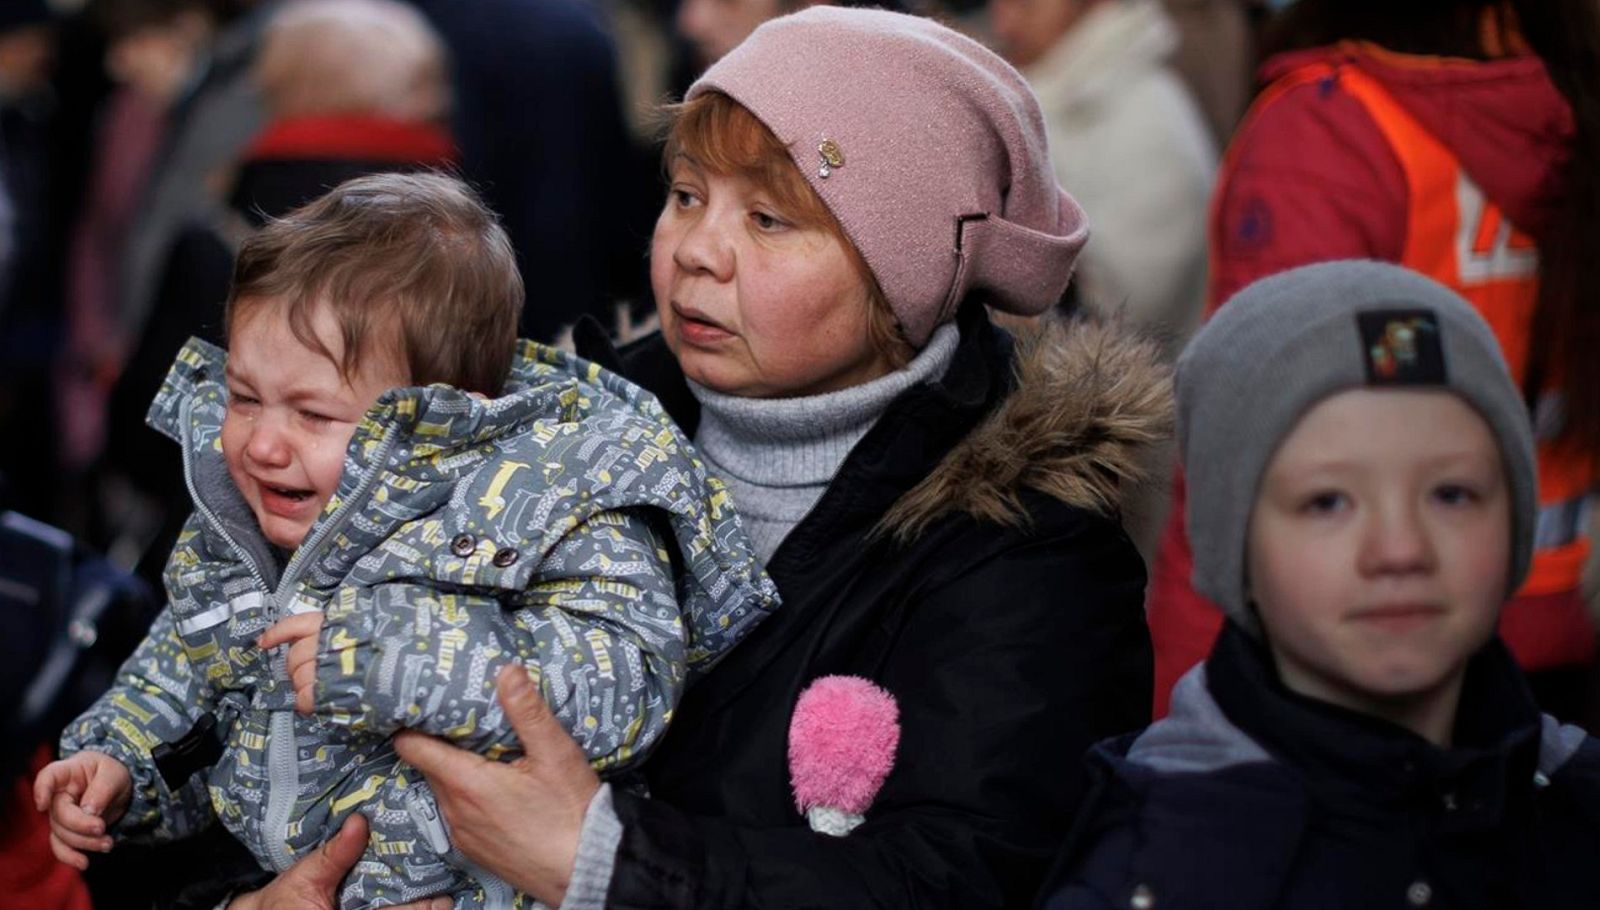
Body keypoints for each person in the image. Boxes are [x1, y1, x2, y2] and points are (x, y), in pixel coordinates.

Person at [212, 8, 1168, 908]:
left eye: (769, 219)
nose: (696, 251)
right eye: (686, 196)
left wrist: (608, 863)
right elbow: (224, 704)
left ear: (904, 275)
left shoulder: (1022, 548)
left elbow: (969, 874)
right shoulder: (534, 437)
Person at [33, 172, 778, 909]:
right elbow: (186, 677)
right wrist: (120, 763)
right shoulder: (247, 526)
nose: (261, 445)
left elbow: (622, 688)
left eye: (314, 415)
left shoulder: (558, 495)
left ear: (441, 420)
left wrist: (399, 657)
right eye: (243, 397)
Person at [1040, 260, 1600, 909]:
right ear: (1235, 547)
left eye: (1452, 494)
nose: (1401, 550)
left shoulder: (1577, 804)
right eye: (1328, 502)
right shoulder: (1156, 876)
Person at [1147, 0, 1600, 717]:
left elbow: (1242, 444)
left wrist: (1185, 718)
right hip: (1556, 620)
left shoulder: (1332, 132)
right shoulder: (1569, 105)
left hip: (1376, 646)